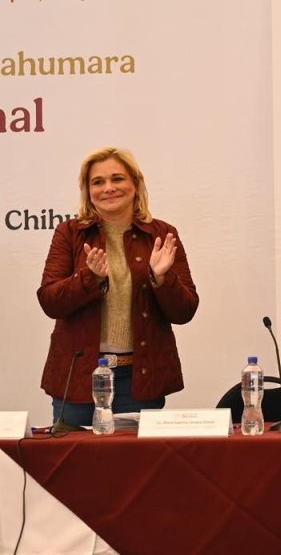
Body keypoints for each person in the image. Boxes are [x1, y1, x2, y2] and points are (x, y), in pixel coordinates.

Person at [37, 147, 199, 427]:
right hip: (78, 379)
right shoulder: (69, 233)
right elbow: (50, 301)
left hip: (139, 379)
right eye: (98, 182)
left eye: (117, 179)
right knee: (73, 468)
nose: (108, 188)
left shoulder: (161, 235)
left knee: (137, 469)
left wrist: (162, 278)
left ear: (135, 185)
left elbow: (185, 311)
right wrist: (90, 278)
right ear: (88, 191)